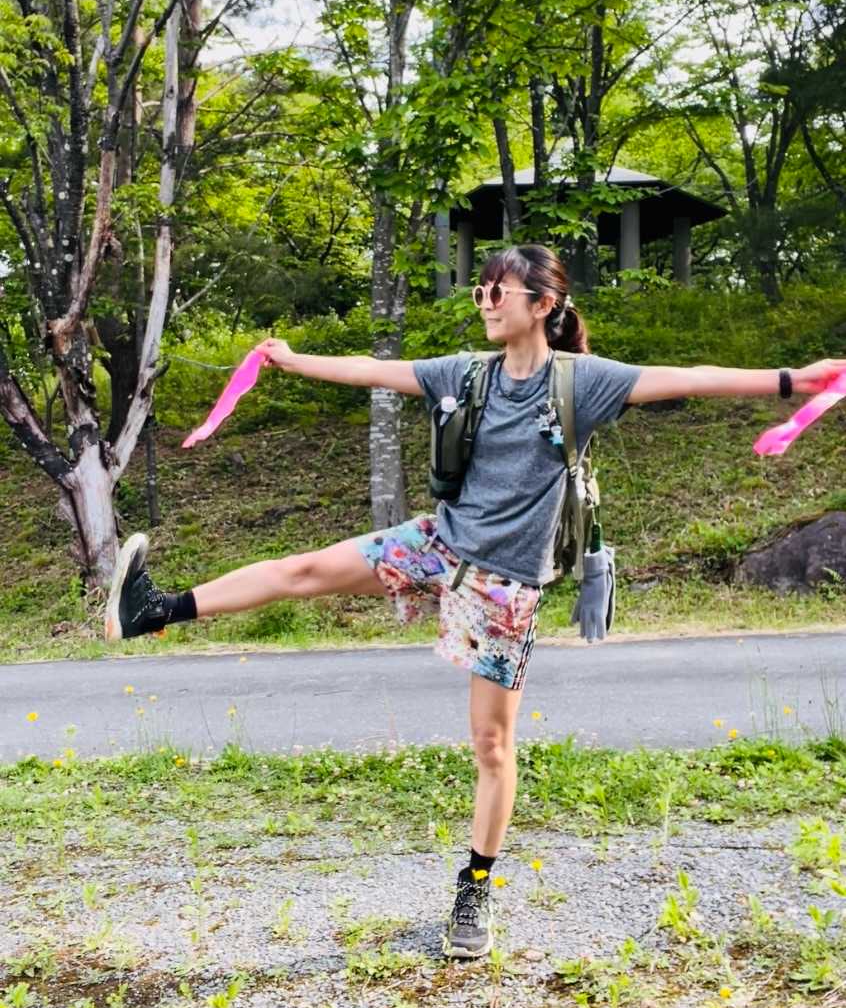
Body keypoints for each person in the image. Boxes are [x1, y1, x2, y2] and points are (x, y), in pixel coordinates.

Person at [104, 242, 846, 958]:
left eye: (498, 290)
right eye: (480, 290)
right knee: (304, 570)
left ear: (542, 304)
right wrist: (293, 360)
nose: (486, 301)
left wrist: (795, 381)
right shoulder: (465, 373)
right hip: (441, 543)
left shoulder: (583, 383)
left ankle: (475, 889)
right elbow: (374, 370)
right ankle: (155, 610)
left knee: (491, 746)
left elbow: (691, 377)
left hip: (506, 589)